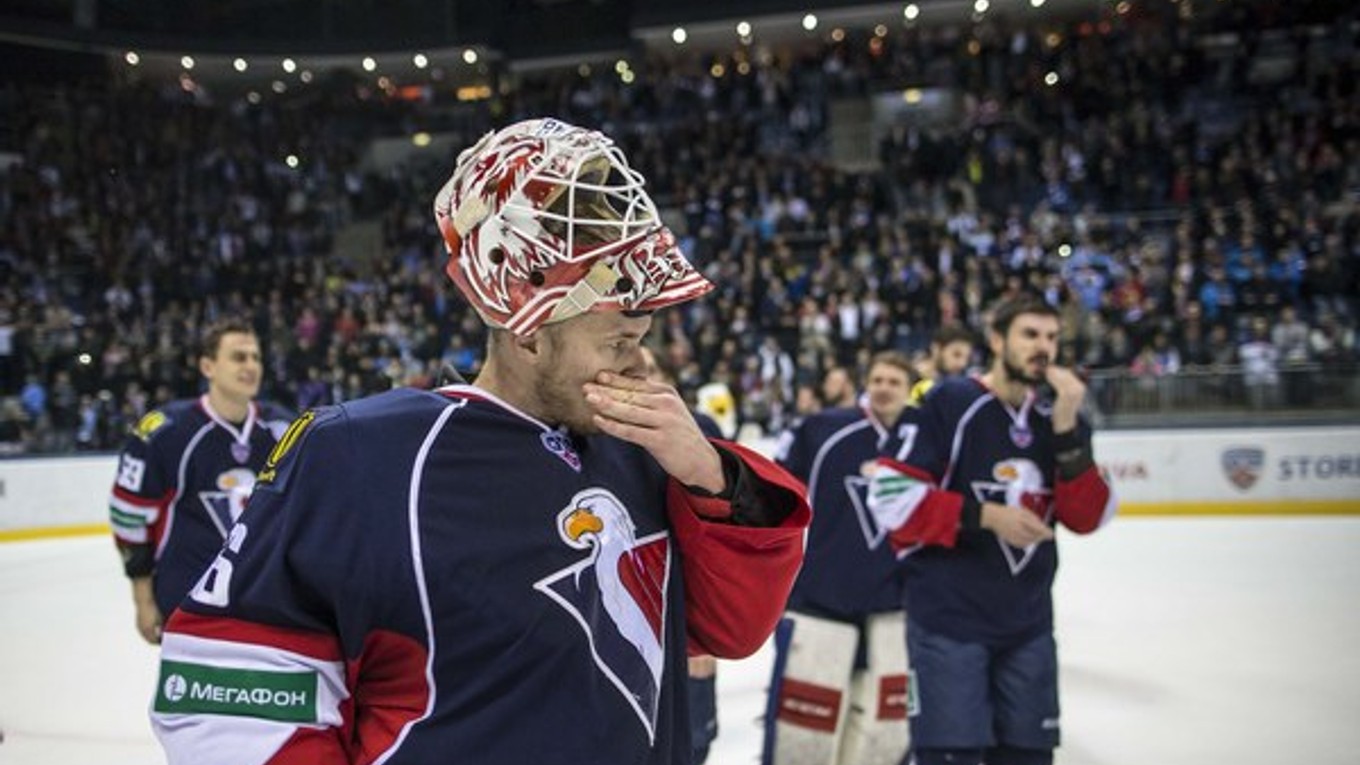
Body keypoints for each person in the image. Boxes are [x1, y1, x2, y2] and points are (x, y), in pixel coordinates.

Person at [149, 117, 811, 765]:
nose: (640, 366)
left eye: (640, 342)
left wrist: (712, 479)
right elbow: (226, 689)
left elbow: (734, 628)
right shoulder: (361, 457)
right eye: (618, 343)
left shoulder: (649, 451)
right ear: (526, 329)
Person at [868, 293, 1116, 765]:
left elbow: (1089, 518)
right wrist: (985, 516)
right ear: (998, 340)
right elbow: (889, 499)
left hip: (1029, 626)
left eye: (1051, 337)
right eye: (1029, 335)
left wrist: (1066, 432)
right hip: (948, 624)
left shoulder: (1060, 418)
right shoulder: (950, 400)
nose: (1042, 347)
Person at [764, 351, 917, 765]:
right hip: (821, 600)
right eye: (878, 380)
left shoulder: (922, 440)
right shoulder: (824, 429)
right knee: (802, 735)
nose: (884, 388)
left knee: (883, 735)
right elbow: (777, 493)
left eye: (894, 382)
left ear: (909, 391)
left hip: (893, 609)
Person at [108, 318, 293, 644]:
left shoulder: (284, 429)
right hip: (189, 604)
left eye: (256, 357)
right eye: (238, 357)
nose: (251, 366)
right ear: (208, 366)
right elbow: (129, 516)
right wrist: (143, 599)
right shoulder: (163, 432)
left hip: (269, 603)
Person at [641, 345, 722, 765]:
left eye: (650, 367)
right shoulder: (590, 436)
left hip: (682, 612)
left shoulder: (698, 428)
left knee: (691, 740)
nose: (638, 371)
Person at [910, 323, 977, 405]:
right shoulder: (907, 379)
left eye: (967, 358)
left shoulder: (962, 388)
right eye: (956, 354)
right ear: (936, 349)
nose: (962, 364)